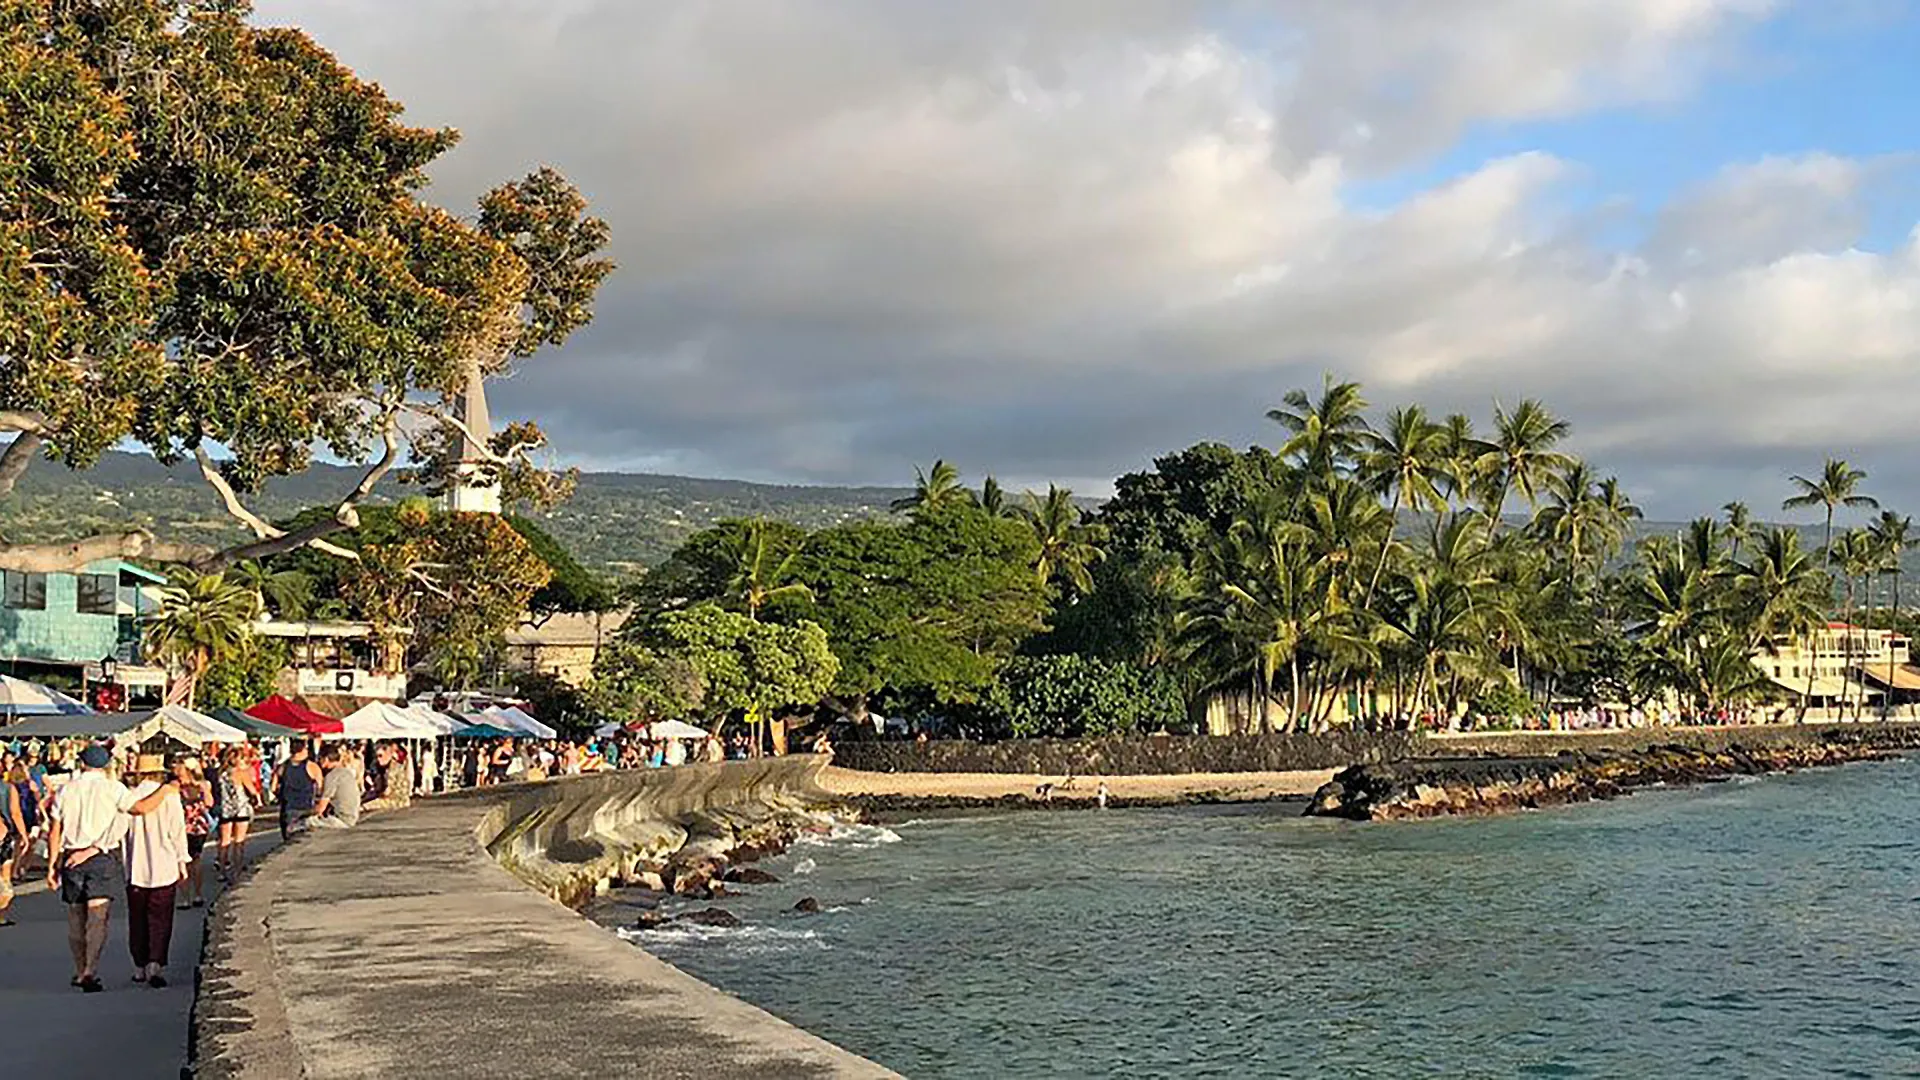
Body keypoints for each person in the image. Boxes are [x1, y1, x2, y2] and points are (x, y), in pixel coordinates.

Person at [46, 744, 176, 993]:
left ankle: (79, 966)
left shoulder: (66, 790)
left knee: (75, 916)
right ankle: (90, 970)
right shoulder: (113, 788)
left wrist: (53, 864)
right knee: (97, 916)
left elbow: (55, 830)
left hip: (71, 855)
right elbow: (140, 808)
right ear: (105, 765)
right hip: (101, 856)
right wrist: (166, 790)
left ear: (82, 763)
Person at [122, 754, 187, 988]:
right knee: (160, 918)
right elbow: (177, 831)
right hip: (164, 864)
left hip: (136, 867)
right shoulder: (169, 796)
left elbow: (122, 835)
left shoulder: (129, 796)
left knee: (137, 918)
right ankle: (155, 963)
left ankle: (139, 965)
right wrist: (182, 861)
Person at [174, 758, 213, 909]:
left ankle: (187, 897)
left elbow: (209, 802)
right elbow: (210, 803)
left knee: (185, 862)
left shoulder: (177, 788)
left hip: (185, 827)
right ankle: (196, 895)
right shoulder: (202, 785)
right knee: (193, 861)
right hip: (197, 827)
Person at [272, 740, 322, 842]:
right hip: (307, 806)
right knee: (306, 840)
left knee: (289, 840)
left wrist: (281, 795)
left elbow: (273, 787)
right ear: (304, 749)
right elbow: (321, 787)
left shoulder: (283, 766)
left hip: (288, 807)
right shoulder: (312, 767)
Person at [1, 762, 30, 927]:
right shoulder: (8, 788)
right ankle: (1, 914)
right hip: (3, 835)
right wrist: (23, 835)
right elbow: (15, 812)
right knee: (5, 876)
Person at [307, 744, 362, 830]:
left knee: (307, 822)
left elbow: (321, 808)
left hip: (341, 820)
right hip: (352, 817)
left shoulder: (332, 776)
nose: (319, 761)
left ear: (326, 759)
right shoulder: (347, 772)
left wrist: (305, 813)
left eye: (320, 759)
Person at [363, 743, 412, 813]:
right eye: (376, 757)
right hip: (389, 799)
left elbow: (386, 792)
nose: (378, 759)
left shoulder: (393, 769)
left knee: (366, 806)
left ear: (388, 754)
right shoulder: (383, 768)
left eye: (380, 756)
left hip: (397, 800)